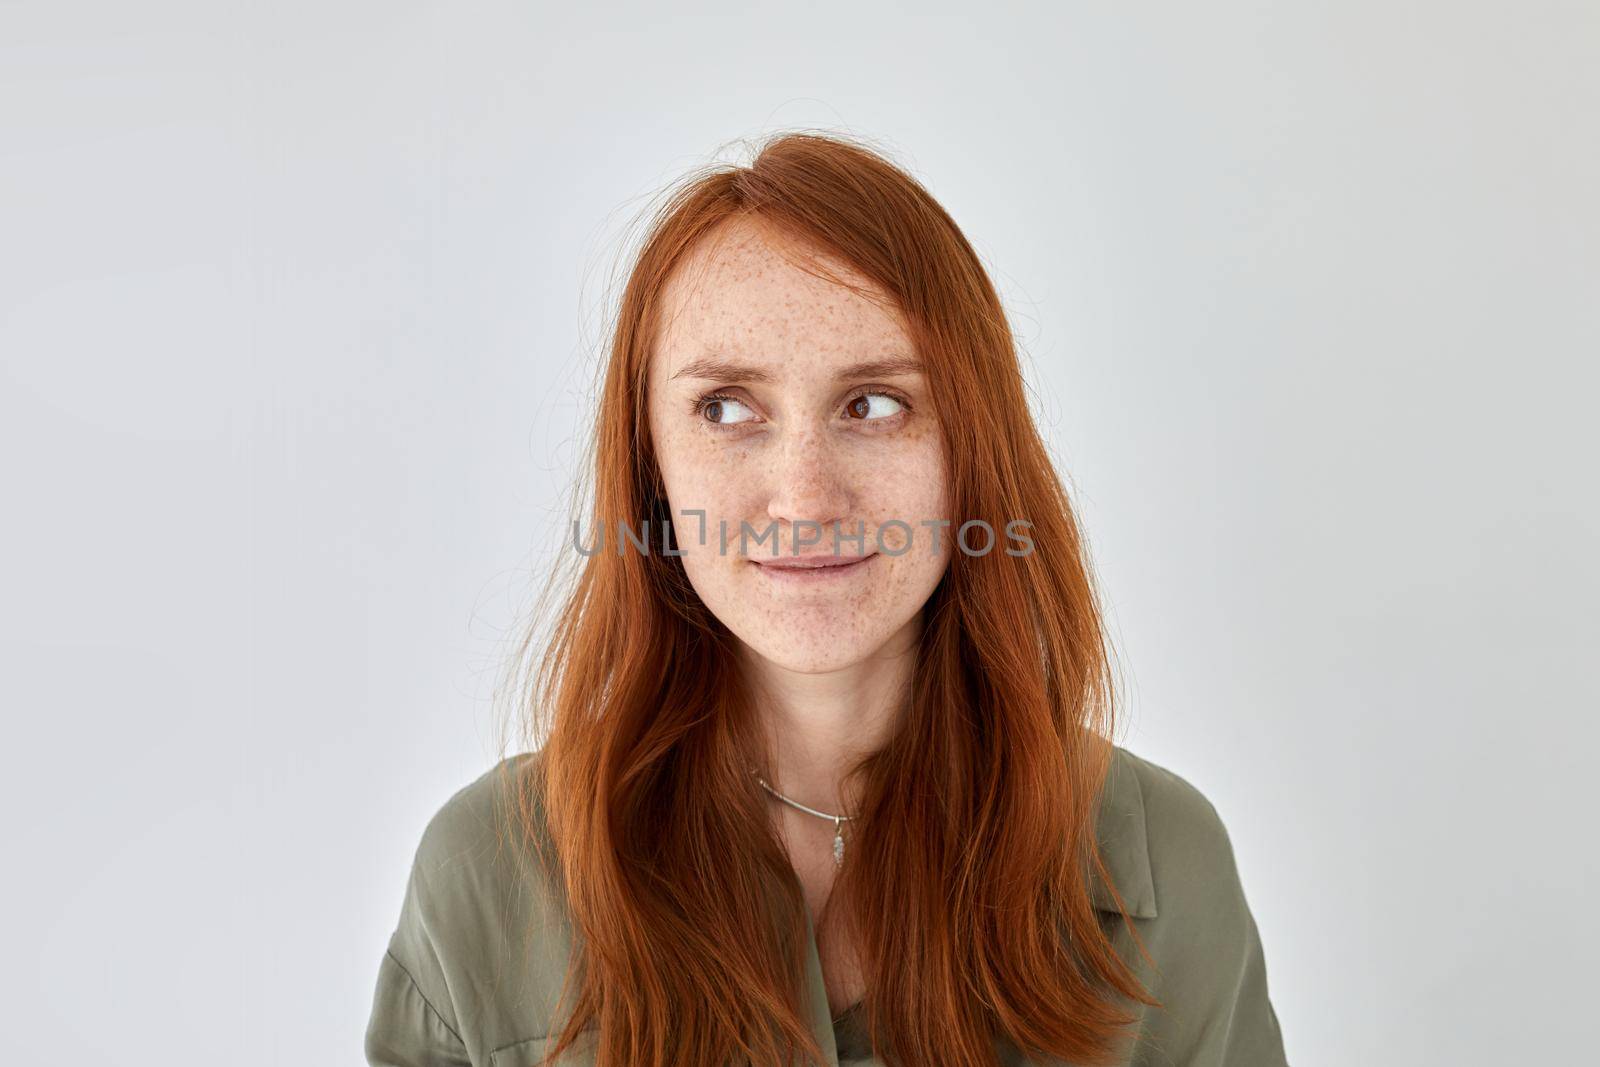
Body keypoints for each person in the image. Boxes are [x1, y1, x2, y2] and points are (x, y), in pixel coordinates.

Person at [364, 131, 1289, 1067]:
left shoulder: (1164, 863)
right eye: (726, 406)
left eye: (875, 404)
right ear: (649, 465)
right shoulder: (484, 876)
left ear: (971, 448)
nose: (804, 499)